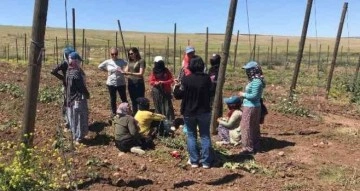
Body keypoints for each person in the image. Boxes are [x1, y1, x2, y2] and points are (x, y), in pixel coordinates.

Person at [173, 56, 214, 169]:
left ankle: (194, 161)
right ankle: (206, 162)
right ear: (202, 66)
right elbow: (211, 92)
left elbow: (178, 95)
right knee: (205, 135)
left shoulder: (186, 79)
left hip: (189, 111)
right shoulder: (207, 79)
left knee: (191, 136)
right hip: (204, 111)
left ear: (190, 66)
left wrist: (176, 86)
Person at [238, 61, 265, 154]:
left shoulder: (257, 82)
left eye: (249, 70)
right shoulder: (256, 80)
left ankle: (248, 148)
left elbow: (254, 96)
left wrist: (243, 94)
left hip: (250, 107)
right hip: (254, 106)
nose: (247, 72)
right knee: (253, 126)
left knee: (246, 127)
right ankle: (255, 145)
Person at [65, 52, 90, 144]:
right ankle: (79, 137)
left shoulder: (68, 71)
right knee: (80, 117)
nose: (80, 63)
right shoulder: (76, 72)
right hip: (78, 98)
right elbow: (81, 87)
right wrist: (87, 94)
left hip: (70, 98)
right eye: (78, 61)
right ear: (75, 61)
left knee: (73, 117)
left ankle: (75, 135)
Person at [98, 47, 127, 118]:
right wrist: (107, 71)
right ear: (110, 54)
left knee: (123, 98)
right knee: (113, 99)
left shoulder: (121, 61)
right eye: (112, 54)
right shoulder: (108, 62)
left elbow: (128, 65)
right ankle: (114, 113)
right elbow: (99, 66)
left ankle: (126, 111)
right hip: (111, 83)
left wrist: (125, 71)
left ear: (118, 54)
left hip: (121, 83)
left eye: (116, 54)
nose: (114, 55)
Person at [50, 46, 75, 127]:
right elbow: (53, 71)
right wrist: (63, 78)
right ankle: (66, 121)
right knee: (66, 103)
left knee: (71, 103)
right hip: (66, 87)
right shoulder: (64, 63)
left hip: (72, 86)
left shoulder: (72, 63)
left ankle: (70, 119)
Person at [149, 56, 175, 122]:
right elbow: (151, 81)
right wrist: (155, 83)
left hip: (166, 91)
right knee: (158, 105)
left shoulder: (166, 70)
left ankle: (169, 121)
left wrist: (164, 82)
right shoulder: (154, 71)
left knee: (167, 106)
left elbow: (171, 80)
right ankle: (160, 121)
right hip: (157, 91)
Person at [124, 47, 146, 115]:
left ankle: (141, 116)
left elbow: (141, 74)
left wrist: (130, 73)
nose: (130, 55)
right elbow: (125, 71)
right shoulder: (129, 62)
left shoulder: (141, 61)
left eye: (132, 53)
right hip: (131, 83)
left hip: (139, 83)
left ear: (136, 53)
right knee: (133, 100)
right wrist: (122, 71)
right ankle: (135, 115)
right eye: (129, 54)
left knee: (140, 100)